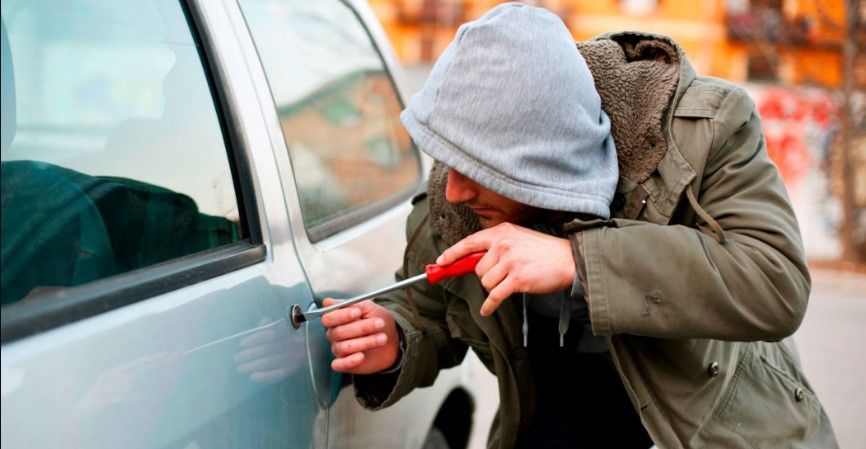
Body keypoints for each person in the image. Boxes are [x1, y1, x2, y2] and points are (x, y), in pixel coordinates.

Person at [321, 3, 838, 448]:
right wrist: (394, 339)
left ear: (540, 161)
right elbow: (432, 310)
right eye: (449, 162)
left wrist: (578, 261)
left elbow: (775, 282)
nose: (454, 189)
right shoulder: (460, 193)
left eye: (477, 170)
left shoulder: (705, 131)